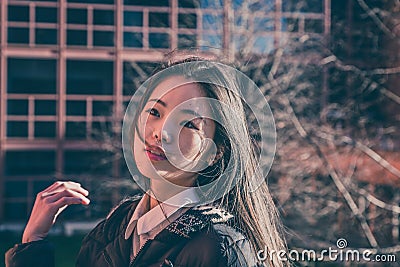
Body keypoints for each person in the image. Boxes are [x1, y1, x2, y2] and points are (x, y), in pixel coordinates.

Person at [5, 54, 288, 267]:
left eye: (188, 123)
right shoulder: (116, 224)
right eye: (155, 112)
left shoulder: (220, 249)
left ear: (215, 151)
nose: (161, 132)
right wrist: (34, 242)